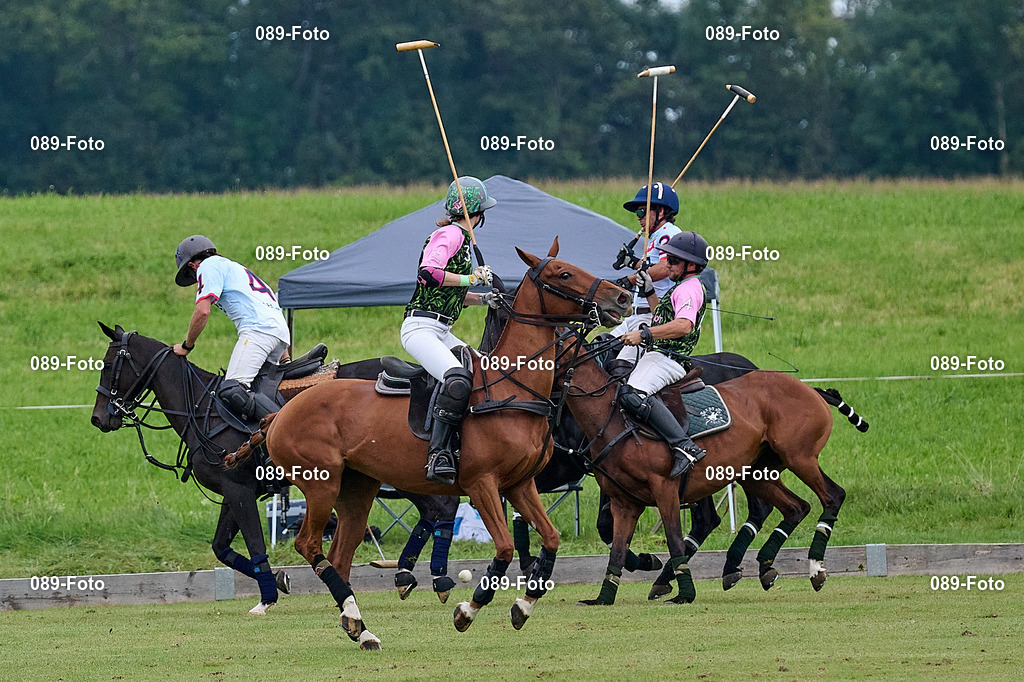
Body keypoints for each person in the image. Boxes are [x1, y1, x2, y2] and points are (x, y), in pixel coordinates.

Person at [401, 177, 501, 485]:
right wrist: (471, 279)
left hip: (442, 329)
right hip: (420, 328)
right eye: (481, 212)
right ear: (475, 213)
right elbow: (429, 273)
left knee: (484, 369)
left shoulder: (461, 239)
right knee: (457, 380)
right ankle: (437, 454)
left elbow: (451, 293)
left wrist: (483, 298)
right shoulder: (450, 234)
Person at [619, 231, 710, 478]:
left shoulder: (689, 289)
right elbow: (662, 315)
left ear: (691, 265)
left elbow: (683, 325)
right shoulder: (680, 286)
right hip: (658, 354)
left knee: (632, 394)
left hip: (669, 358)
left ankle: (684, 446)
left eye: (673, 261)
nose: (667, 264)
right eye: (667, 259)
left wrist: (644, 335)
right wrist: (650, 292)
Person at [172, 235, 290, 423]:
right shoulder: (236, 268)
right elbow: (271, 311)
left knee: (232, 389)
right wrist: (285, 357)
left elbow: (202, 311)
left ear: (192, 266)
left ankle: (283, 428)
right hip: (280, 335)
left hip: (259, 331)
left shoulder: (207, 267)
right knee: (257, 390)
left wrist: (187, 346)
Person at [608, 182, 682, 375]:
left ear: (661, 211)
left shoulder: (669, 233)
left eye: (642, 212)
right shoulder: (655, 236)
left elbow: (666, 267)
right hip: (636, 314)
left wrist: (630, 280)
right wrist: (632, 262)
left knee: (620, 369)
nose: (638, 218)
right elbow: (650, 267)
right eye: (637, 213)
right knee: (601, 348)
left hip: (652, 316)